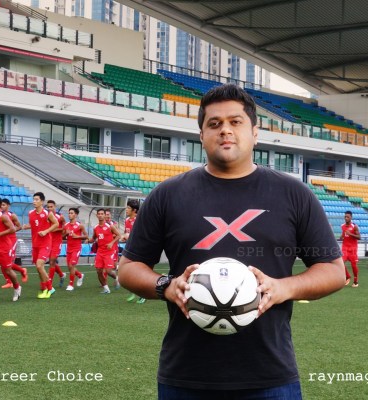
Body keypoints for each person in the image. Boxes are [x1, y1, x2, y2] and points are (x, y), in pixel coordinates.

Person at [119, 84, 345, 399]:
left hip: (271, 377)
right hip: (185, 376)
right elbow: (129, 267)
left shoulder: (294, 194)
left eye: (235, 122)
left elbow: (333, 270)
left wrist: (283, 288)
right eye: (214, 123)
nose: (225, 130)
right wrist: (166, 286)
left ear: (255, 132)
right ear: (201, 135)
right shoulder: (167, 195)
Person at [21, 192, 59, 299]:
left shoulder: (47, 213)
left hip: (45, 243)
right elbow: (34, 224)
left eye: (37, 199)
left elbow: (56, 223)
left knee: (39, 265)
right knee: (39, 268)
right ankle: (44, 289)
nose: (34, 201)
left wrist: (46, 231)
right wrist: (26, 226)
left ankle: (50, 288)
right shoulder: (30, 213)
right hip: (35, 244)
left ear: (42, 201)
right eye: (34, 199)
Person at [91, 208, 121, 294]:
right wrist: (89, 240)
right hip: (100, 251)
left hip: (109, 251)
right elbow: (94, 237)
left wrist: (111, 243)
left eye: (102, 214)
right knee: (98, 271)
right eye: (99, 214)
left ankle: (117, 278)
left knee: (108, 271)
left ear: (104, 215)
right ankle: (106, 288)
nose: (100, 215)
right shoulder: (96, 228)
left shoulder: (110, 226)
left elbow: (119, 235)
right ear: (97, 215)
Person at [0, 198, 28, 287]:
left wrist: (10, 231)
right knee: (2, 261)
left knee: (8, 262)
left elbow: (19, 226)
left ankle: (22, 271)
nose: (2, 206)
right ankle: (9, 281)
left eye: (4, 205)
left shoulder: (12, 215)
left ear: (8, 206)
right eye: (1, 205)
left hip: (11, 240)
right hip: (2, 240)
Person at [122, 199, 145, 304]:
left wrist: (130, 237)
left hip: (139, 248)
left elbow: (141, 234)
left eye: (128, 208)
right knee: (129, 271)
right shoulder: (127, 220)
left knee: (139, 272)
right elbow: (127, 233)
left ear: (134, 210)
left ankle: (143, 295)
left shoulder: (139, 220)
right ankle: (133, 292)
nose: (126, 209)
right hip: (130, 248)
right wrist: (124, 237)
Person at [62, 207, 87, 291]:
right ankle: (80, 275)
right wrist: (66, 233)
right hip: (69, 248)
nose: (70, 214)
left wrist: (77, 236)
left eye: (71, 213)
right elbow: (62, 237)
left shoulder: (80, 225)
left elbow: (86, 236)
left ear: (76, 215)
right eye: (69, 213)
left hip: (76, 248)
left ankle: (71, 284)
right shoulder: (66, 225)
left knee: (72, 265)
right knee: (69, 267)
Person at [46, 200, 67, 287]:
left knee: (52, 261)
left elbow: (65, 227)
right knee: (52, 262)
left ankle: (49, 283)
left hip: (57, 242)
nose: (50, 208)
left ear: (55, 207)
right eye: (48, 207)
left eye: (51, 206)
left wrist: (57, 230)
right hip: (48, 241)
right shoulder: (46, 216)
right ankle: (62, 275)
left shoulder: (60, 216)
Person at [340, 210, 360, 287]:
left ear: (351, 217)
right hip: (345, 248)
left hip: (353, 249)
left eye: (347, 217)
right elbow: (343, 236)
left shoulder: (354, 226)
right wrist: (341, 237)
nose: (346, 218)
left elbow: (359, 237)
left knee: (353, 265)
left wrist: (350, 234)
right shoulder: (342, 226)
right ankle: (347, 276)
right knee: (340, 263)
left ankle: (355, 281)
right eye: (345, 217)